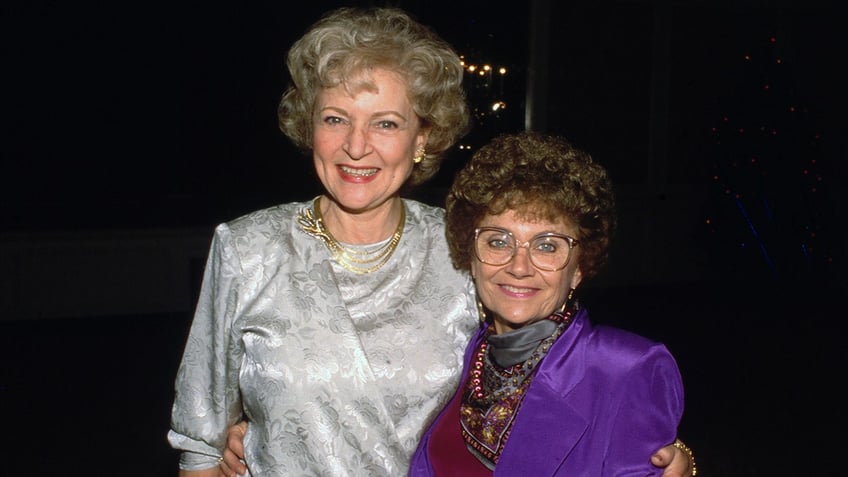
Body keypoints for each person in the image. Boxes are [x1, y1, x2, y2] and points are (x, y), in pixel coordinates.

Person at [167, 6, 695, 477]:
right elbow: (200, 445)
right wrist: (257, 433)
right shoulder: (246, 249)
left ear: (422, 139)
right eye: (335, 119)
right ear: (310, 128)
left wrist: (663, 455)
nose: (356, 146)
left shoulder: (459, 246)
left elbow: (551, 368)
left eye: (386, 123)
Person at [408, 131, 690, 476]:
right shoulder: (470, 352)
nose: (518, 266)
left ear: (579, 268)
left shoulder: (625, 368)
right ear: (471, 255)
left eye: (546, 245)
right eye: (498, 241)